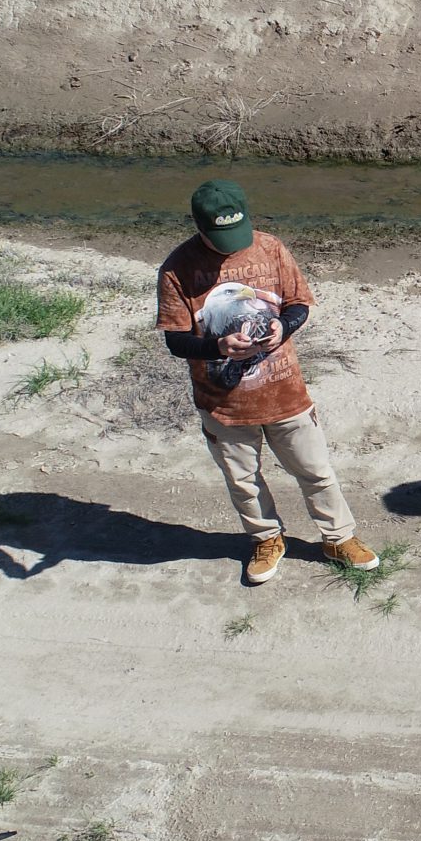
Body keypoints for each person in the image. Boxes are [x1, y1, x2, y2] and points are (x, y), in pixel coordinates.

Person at [156, 180, 378, 586]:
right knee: (243, 481)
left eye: (238, 234)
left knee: (316, 471)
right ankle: (267, 539)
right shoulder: (177, 268)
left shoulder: (270, 247)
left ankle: (338, 538)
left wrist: (283, 326)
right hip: (223, 403)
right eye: (221, 238)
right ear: (199, 227)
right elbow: (175, 339)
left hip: (285, 394)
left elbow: (299, 304)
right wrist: (218, 346)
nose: (233, 246)